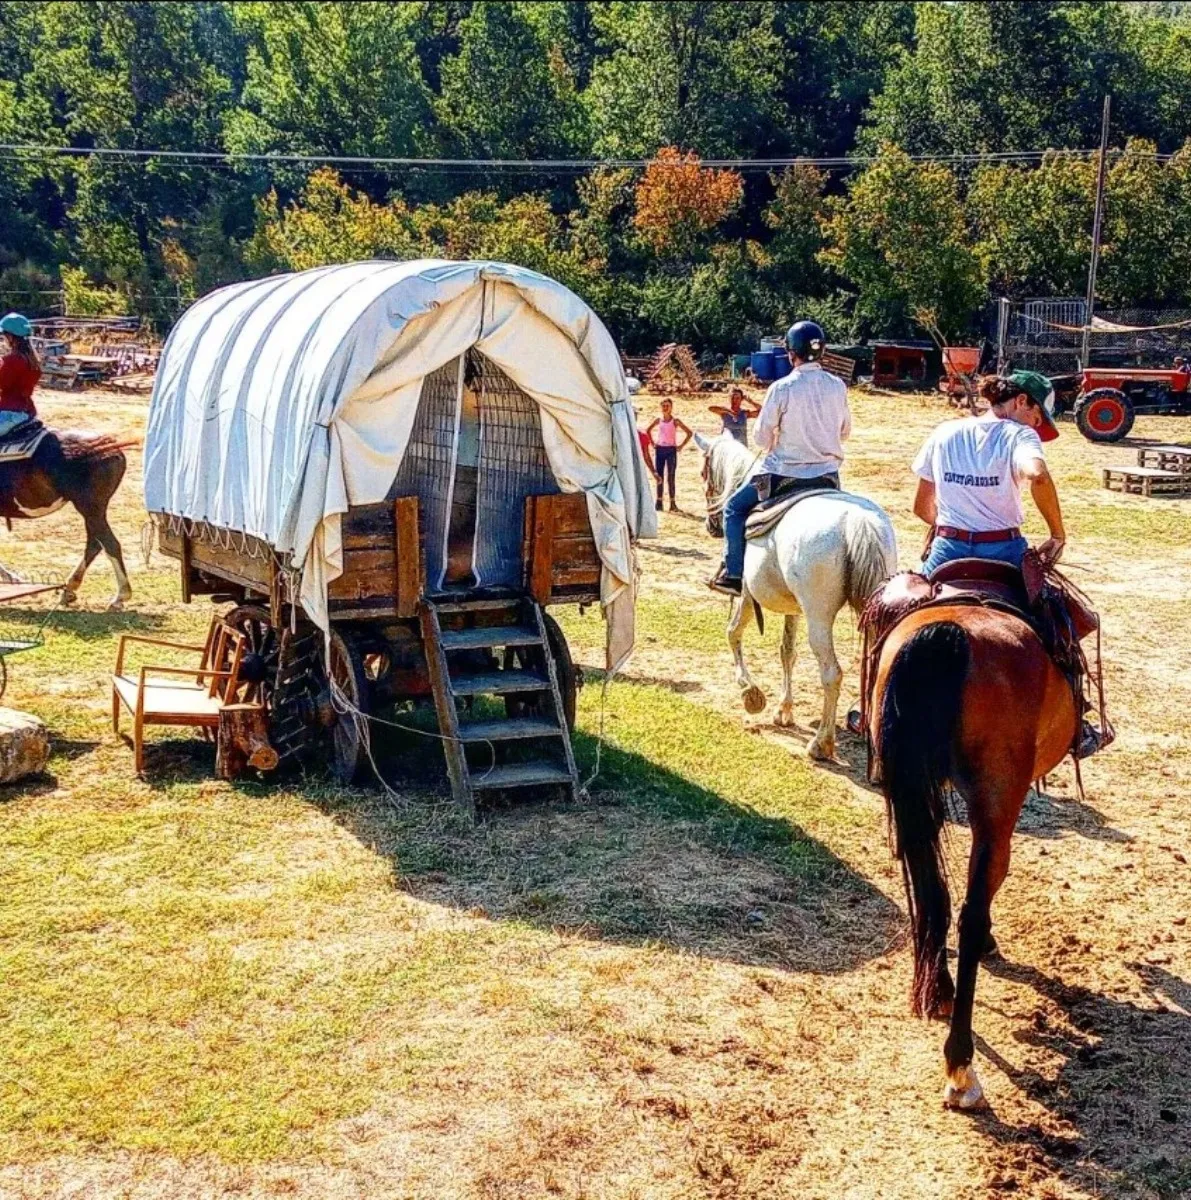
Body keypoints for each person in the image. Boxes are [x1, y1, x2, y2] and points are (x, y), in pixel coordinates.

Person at [709, 321, 849, 595]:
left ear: (790, 353)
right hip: (828, 477)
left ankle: (733, 574)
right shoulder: (838, 386)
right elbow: (845, 432)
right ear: (822, 351)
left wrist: (777, 440)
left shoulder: (782, 388)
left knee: (733, 509)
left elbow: (762, 439)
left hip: (782, 475)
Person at [913, 370, 1063, 576]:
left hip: (948, 550)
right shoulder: (1020, 434)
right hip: (1005, 551)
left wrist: (955, 529)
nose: (1034, 428)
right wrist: (1057, 535)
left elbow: (921, 508)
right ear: (1021, 401)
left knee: (909, 591)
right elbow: (1038, 475)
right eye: (1036, 420)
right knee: (1051, 596)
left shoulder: (943, 432)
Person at [646, 398, 692, 512]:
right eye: (663, 406)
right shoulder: (658, 420)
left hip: (671, 450)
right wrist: (652, 443)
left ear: (671, 407)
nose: (665, 408)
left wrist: (681, 446)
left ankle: (672, 503)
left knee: (671, 476)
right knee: (659, 476)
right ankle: (659, 502)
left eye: (667, 406)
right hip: (660, 449)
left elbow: (689, 433)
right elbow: (648, 430)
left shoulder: (675, 421)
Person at [0, 312, 40, 438]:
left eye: (4, 336)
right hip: (28, 411)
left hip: (10, 413)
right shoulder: (33, 360)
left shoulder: (11, 360)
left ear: (11, 337)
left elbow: (3, 384)